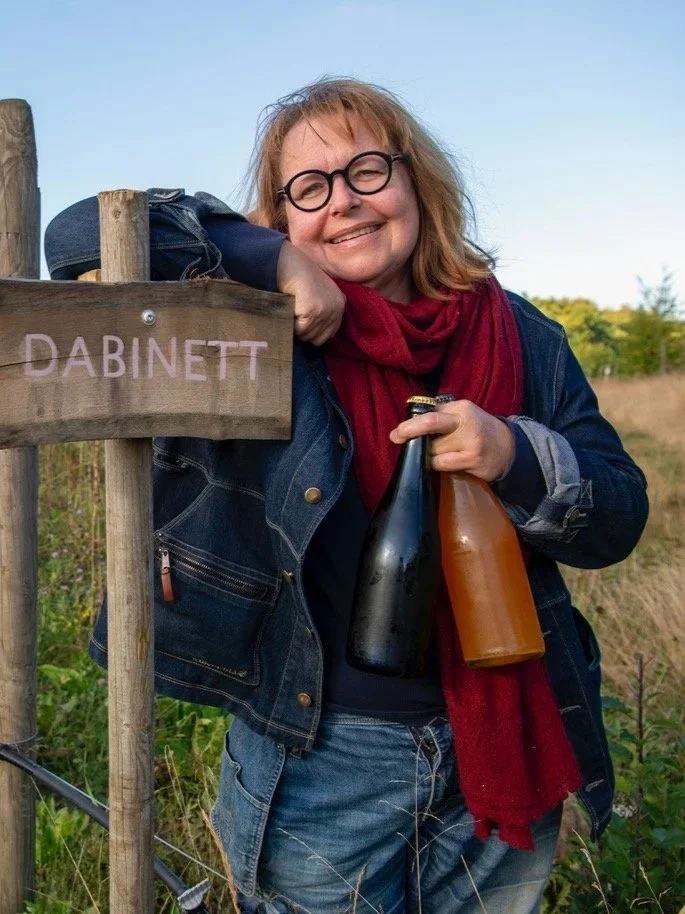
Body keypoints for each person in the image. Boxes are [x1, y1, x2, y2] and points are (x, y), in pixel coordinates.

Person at [44, 77, 648, 914]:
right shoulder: (256, 323)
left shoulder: (522, 334)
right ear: (284, 212)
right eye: (310, 189)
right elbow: (75, 233)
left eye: (367, 170)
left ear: (414, 181)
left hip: (506, 741)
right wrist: (276, 261)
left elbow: (618, 518)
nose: (345, 204)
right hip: (323, 753)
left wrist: (514, 454)